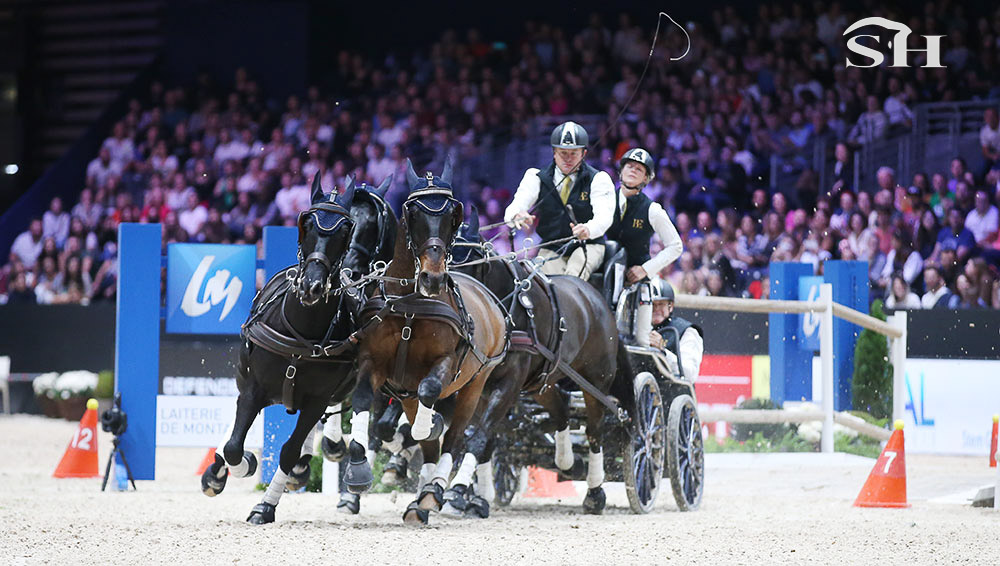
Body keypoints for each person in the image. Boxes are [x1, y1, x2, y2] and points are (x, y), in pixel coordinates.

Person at [504, 121, 615, 279]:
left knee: (573, 275)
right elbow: (514, 207)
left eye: (573, 153)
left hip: (588, 245)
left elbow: (604, 217)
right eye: (563, 153)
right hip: (551, 247)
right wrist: (516, 216)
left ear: (583, 154)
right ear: (554, 152)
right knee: (543, 283)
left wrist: (588, 229)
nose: (568, 159)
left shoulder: (598, 179)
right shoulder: (535, 177)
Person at [605, 148, 683, 346]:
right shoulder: (603, 200)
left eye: (639, 170)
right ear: (620, 171)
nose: (632, 170)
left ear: (646, 178)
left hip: (636, 282)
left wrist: (645, 270)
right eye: (629, 166)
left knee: (641, 339)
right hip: (603, 272)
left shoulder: (653, 209)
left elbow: (675, 246)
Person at [648, 281, 703, 381]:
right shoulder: (635, 328)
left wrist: (662, 351)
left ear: (671, 306)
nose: (656, 309)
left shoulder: (687, 331)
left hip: (671, 390)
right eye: (651, 304)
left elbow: (689, 374)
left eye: (661, 304)